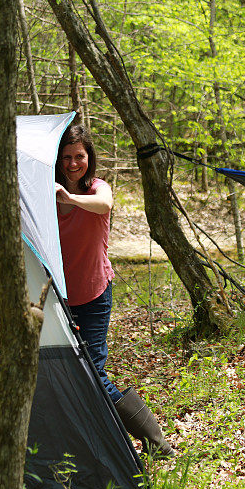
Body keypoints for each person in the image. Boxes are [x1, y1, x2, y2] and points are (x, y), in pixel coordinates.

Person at [56, 124, 173, 457]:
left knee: (92, 371)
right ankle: (108, 445)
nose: (72, 163)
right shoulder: (47, 193)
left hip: (93, 294)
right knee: (75, 374)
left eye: (79, 156)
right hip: (60, 300)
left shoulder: (97, 188)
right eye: (66, 157)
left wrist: (68, 197)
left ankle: (155, 442)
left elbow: (104, 206)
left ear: (89, 158)